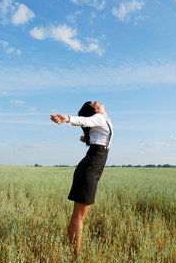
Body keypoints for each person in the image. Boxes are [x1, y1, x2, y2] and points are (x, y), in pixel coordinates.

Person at [50, 101, 113, 256]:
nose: (97, 101)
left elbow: (97, 133)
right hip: (89, 171)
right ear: (94, 110)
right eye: (93, 103)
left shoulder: (103, 120)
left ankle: (72, 252)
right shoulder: (98, 117)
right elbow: (85, 121)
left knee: (79, 216)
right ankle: (74, 256)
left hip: (91, 170)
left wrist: (87, 139)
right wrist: (67, 118)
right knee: (79, 216)